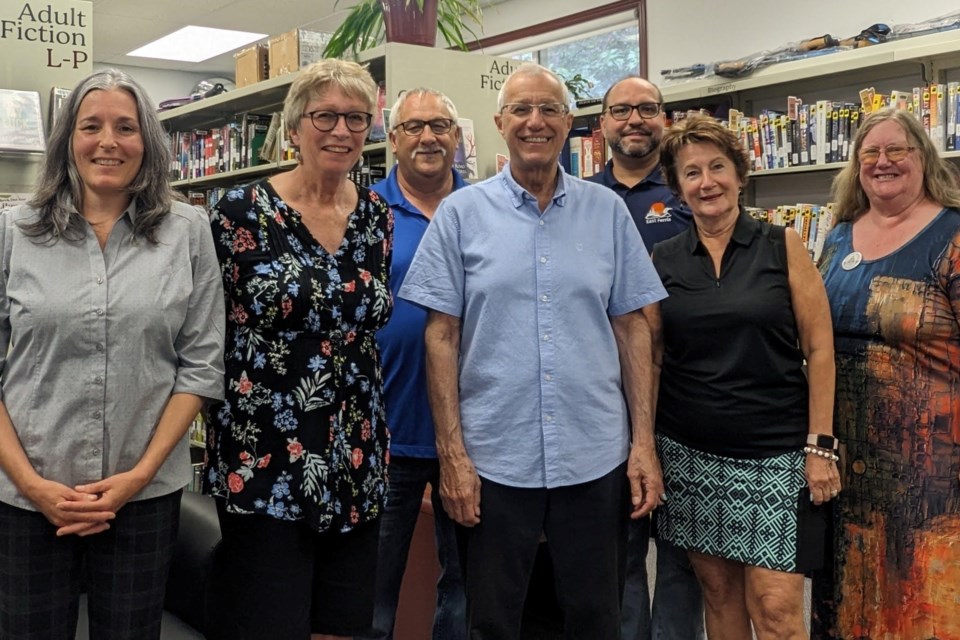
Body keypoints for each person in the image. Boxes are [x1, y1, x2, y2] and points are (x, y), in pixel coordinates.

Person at [399, 62, 667, 639]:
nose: (535, 121)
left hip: (594, 454)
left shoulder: (607, 213)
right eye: (521, 110)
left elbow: (633, 329)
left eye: (548, 109)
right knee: (494, 620)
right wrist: (452, 457)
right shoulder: (461, 215)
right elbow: (439, 336)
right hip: (496, 456)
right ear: (500, 123)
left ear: (570, 123)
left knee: (597, 617)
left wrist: (642, 444)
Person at [0, 69, 225, 639]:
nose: (108, 142)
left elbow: (201, 365)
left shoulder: (187, 231)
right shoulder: (13, 231)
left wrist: (138, 476)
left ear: (147, 140)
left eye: (126, 127)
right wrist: (31, 483)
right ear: (66, 141)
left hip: (143, 496)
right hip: (29, 498)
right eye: (90, 126)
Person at [204, 59, 393, 640]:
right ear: (294, 127)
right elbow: (210, 327)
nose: (341, 131)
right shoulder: (236, 210)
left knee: (343, 624)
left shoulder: (375, 217)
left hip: (355, 450)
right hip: (265, 455)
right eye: (325, 116)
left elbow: (363, 319)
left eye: (356, 119)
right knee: (271, 622)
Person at [653, 114, 838, 640]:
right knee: (719, 595)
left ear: (740, 174)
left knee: (778, 610)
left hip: (775, 452)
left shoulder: (783, 245)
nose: (706, 181)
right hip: (690, 453)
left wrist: (820, 445)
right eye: (692, 172)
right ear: (678, 187)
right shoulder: (662, 259)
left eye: (717, 167)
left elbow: (820, 349)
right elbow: (653, 359)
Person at [812, 107, 960, 639]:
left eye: (898, 150)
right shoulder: (837, 238)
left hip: (933, 468)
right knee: (850, 596)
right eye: (870, 152)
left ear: (923, 157)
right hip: (845, 462)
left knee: (919, 602)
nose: (883, 162)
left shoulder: (954, 234)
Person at [587, 75, 702, 640]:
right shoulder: (579, 198)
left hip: (687, 393)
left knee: (684, 557)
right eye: (621, 110)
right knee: (623, 554)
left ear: (666, 119)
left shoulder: (692, 189)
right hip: (608, 395)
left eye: (647, 109)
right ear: (601, 123)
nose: (635, 120)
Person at [363, 87, 467, 640]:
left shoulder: (489, 206)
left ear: (457, 136)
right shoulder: (364, 212)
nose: (428, 136)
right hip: (387, 433)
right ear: (393, 138)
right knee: (372, 595)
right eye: (414, 126)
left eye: (440, 125)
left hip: (476, 433)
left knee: (467, 592)